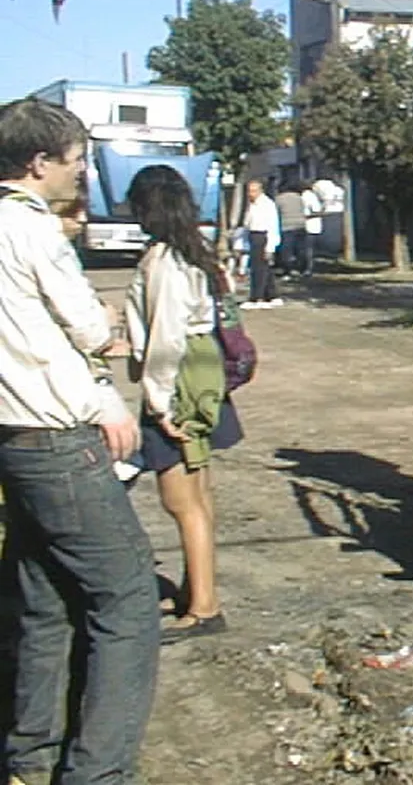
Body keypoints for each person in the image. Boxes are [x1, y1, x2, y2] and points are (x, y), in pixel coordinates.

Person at [0, 98, 158, 785]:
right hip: (57, 437)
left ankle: (30, 757)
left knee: (45, 599)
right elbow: (88, 327)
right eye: (74, 161)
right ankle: (98, 772)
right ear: (39, 163)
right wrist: (106, 330)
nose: (80, 173)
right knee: (128, 599)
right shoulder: (33, 230)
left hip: (11, 438)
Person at [124, 164, 245, 643]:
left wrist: (159, 404)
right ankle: (198, 590)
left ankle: (204, 608)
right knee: (199, 492)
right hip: (201, 370)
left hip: (179, 379)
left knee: (180, 499)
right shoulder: (197, 253)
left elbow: (166, 338)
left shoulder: (163, 261)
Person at [242, 178, 281, 308]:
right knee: (264, 268)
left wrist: (270, 247)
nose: (250, 194)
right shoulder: (251, 204)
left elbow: (272, 226)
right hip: (253, 235)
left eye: (253, 191)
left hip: (262, 236)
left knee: (258, 269)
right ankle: (272, 295)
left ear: (260, 191)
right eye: (249, 191)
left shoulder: (267, 204)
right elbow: (248, 222)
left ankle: (256, 297)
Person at [273, 182, 307, 277]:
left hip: (287, 226)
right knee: (300, 249)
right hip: (301, 225)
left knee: (286, 250)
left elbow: (275, 213)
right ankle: (301, 269)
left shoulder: (279, 199)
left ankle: (288, 269)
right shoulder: (298, 197)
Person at [299, 182, 324, 276]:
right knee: (309, 249)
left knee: (307, 249)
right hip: (314, 226)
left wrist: (304, 216)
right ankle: (308, 268)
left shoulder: (307, 196)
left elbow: (315, 211)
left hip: (309, 226)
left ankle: (308, 269)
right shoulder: (312, 196)